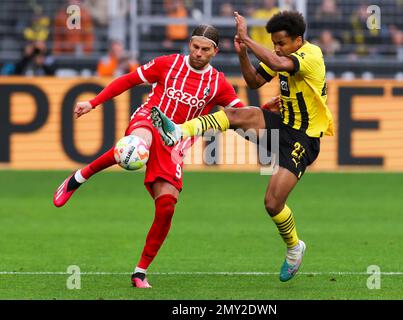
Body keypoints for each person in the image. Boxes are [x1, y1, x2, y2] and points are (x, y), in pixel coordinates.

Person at [52, 25, 262, 288]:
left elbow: (239, 115)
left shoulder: (217, 83)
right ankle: (79, 177)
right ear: (189, 45)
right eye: (195, 47)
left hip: (175, 143)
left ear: (215, 52)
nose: (198, 53)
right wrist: (93, 102)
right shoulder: (168, 64)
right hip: (149, 118)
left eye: (205, 49)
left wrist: (263, 111)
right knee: (137, 144)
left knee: (166, 206)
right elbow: (128, 80)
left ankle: (140, 271)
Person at [151, 10, 334, 282]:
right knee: (237, 115)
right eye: (274, 43)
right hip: (281, 125)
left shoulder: (312, 55)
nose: (277, 48)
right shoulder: (281, 55)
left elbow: (274, 60)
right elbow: (254, 81)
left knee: (272, 203)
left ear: (298, 40)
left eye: (282, 43)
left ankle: (295, 247)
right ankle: (178, 131)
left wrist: (247, 38)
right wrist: (241, 53)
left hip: (303, 139)